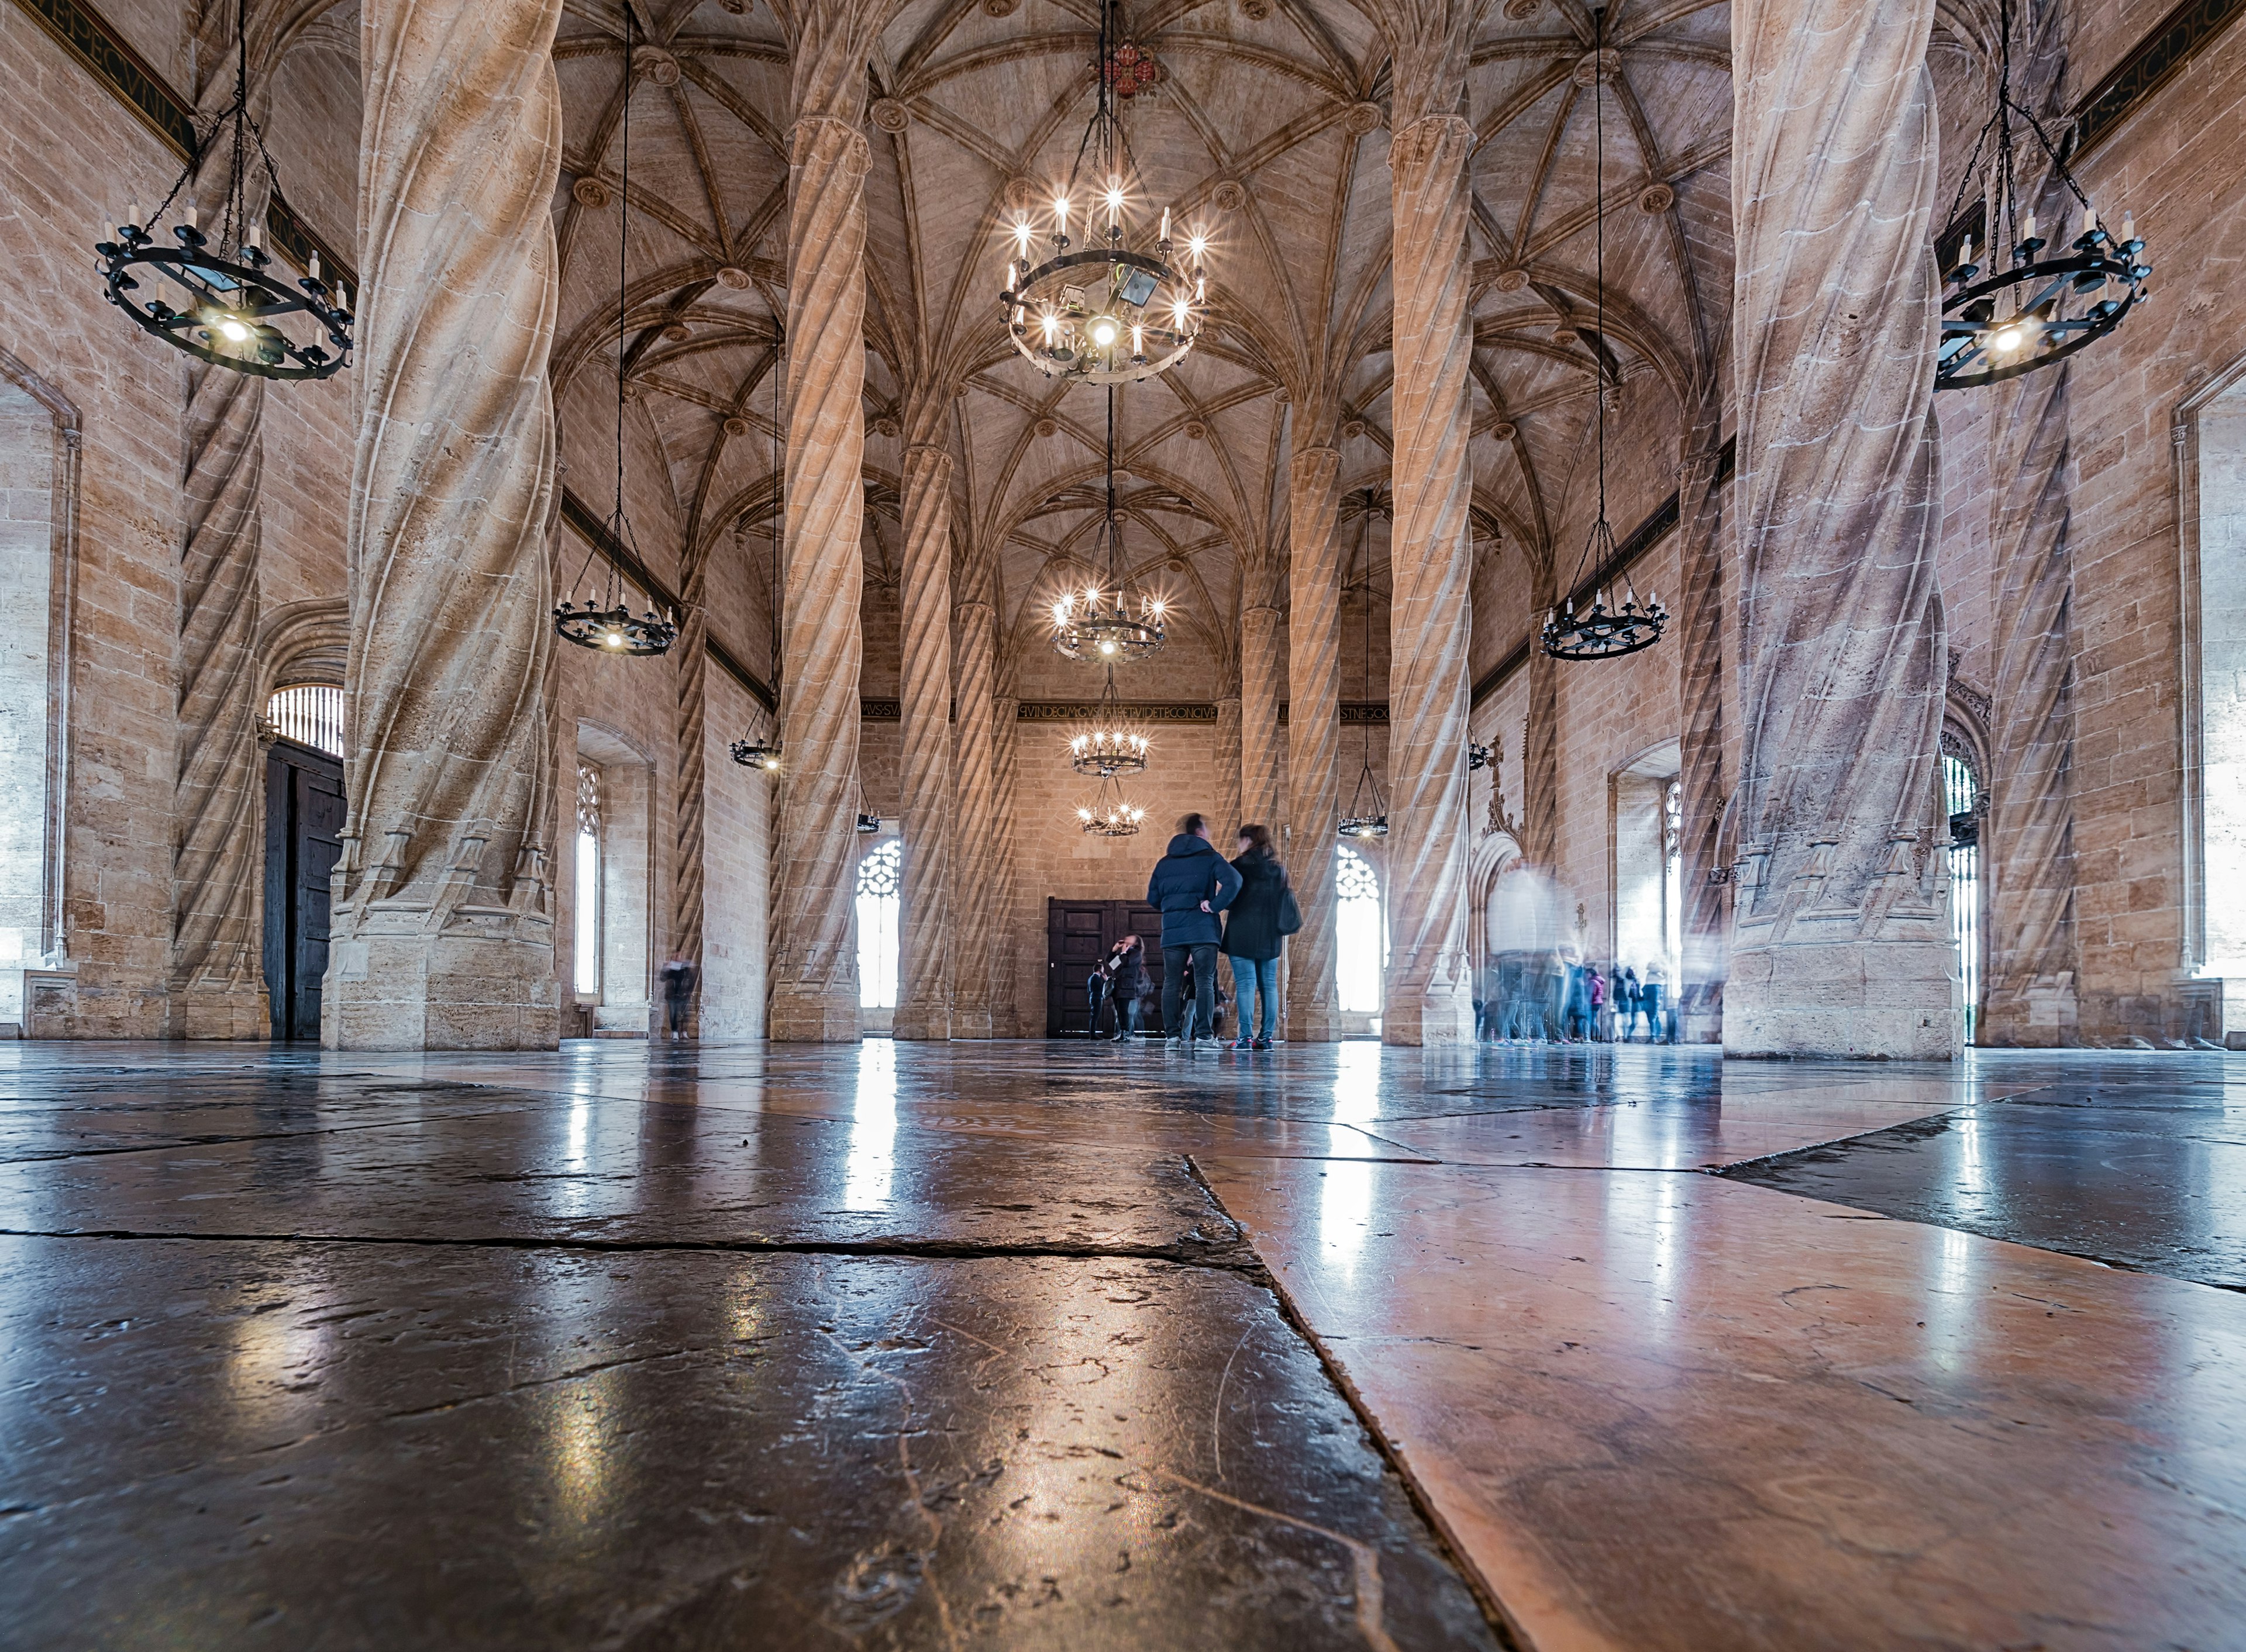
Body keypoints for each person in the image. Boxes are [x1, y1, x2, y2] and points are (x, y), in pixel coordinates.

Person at [1146, 812, 1242, 1045]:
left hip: (1172, 931)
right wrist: (1216, 905)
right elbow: (1235, 881)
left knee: (1171, 983)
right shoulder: (1210, 857)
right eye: (1206, 830)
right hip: (1202, 929)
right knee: (1204, 981)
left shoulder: (1164, 863)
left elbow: (1153, 898)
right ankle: (1204, 1037)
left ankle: (1171, 1037)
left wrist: (1171, 906)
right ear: (1199, 832)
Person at [1220, 823, 1289, 1049]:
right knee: (1269, 985)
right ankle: (1267, 1037)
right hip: (1270, 933)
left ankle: (1245, 1038)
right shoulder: (1278, 869)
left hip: (1242, 932)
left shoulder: (1238, 866)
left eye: (1241, 840)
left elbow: (1228, 899)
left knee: (1246, 984)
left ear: (1248, 840)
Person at [1100, 934, 1146, 1041]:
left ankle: (1125, 1035)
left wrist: (1124, 953)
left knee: (1123, 1011)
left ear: (1136, 943)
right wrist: (1114, 949)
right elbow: (1112, 963)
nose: (1126, 939)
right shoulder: (1123, 954)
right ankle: (1122, 1033)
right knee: (1119, 1011)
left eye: (1130, 939)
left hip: (1126, 987)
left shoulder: (1136, 954)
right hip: (1118, 985)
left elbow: (1127, 963)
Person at [659, 953, 697, 1039]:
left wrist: (688, 991)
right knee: (673, 1013)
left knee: (685, 1014)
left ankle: (684, 1032)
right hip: (672, 994)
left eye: (679, 956)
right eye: (676, 956)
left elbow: (690, 980)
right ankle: (675, 1031)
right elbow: (662, 978)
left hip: (683, 994)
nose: (678, 958)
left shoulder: (685, 969)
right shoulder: (669, 968)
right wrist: (666, 968)